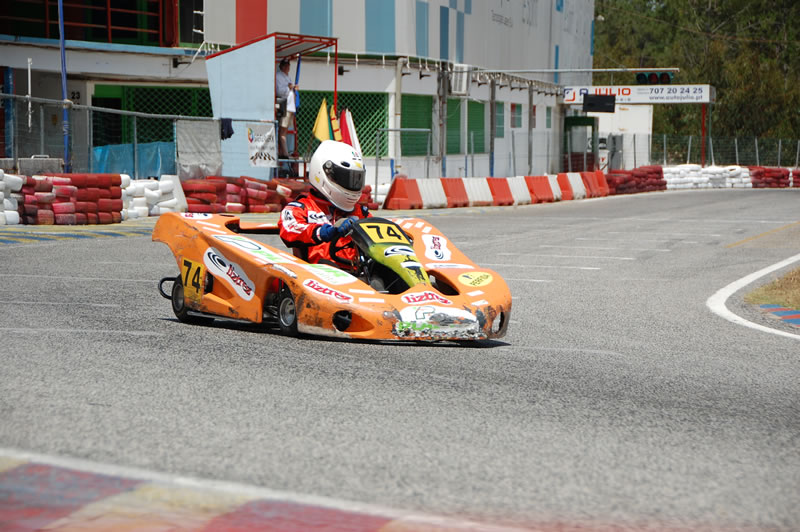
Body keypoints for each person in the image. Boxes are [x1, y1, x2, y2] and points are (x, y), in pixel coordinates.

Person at [279, 140, 370, 270]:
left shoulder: (361, 212)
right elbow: (290, 230)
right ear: (323, 172)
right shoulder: (299, 208)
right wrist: (325, 231)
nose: (352, 184)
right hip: (320, 277)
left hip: (361, 274)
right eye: (346, 178)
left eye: (356, 178)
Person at [275, 57, 297, 159]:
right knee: (282, 131)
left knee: (286, 130)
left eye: (288, 65)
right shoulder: (279, 76)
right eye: (286, 65)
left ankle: (285, 151)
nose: (288, 67)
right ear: (282, 66)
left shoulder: (287, 77)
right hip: (285, 106)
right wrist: (289, 88)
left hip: (291, 107)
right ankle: (285, 153)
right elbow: (279, 91)